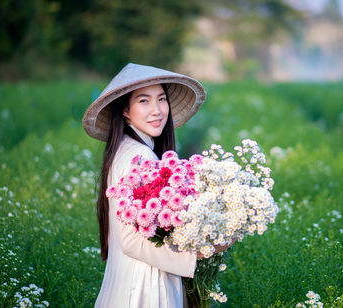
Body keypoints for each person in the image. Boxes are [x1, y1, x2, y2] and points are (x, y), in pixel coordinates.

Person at [82, 63, 232, 307]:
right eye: (143, 101)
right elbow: (131, 241)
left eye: (161, 99)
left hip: (133, 282)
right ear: (125, 111)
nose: (157, 110)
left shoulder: (127, 149)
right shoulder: (139, 157)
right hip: (144, 288)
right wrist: (200, 252)